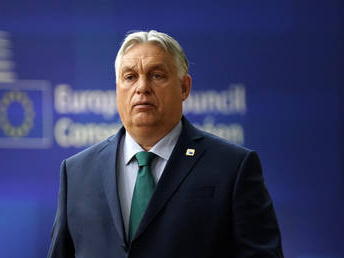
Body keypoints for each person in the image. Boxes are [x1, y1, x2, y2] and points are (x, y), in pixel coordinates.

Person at [48, 30, 283, 258]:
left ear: (184, 88)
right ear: (117, 89)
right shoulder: (76, 172)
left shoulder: (233, 167)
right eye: (130, 77)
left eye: (156, 75)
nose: (142, 87)